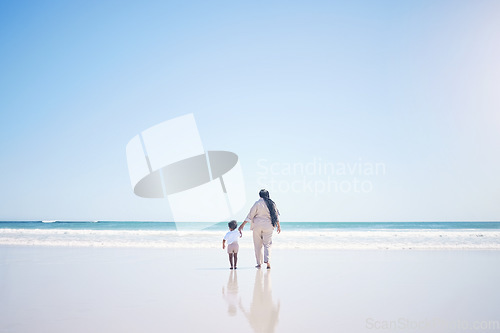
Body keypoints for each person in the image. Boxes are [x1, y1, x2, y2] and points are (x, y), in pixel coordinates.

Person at [238, 189, 281, 269]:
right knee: (267, 244)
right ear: (267, 195)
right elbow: (276, 215)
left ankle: (259, 263)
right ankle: (267, 262)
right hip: (268, 226)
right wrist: (278, 226)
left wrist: (242, 225)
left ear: (260, 195)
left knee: (257, 245)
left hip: (257, 225)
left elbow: (250, 215)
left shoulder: (257, 203)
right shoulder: (272, 203)